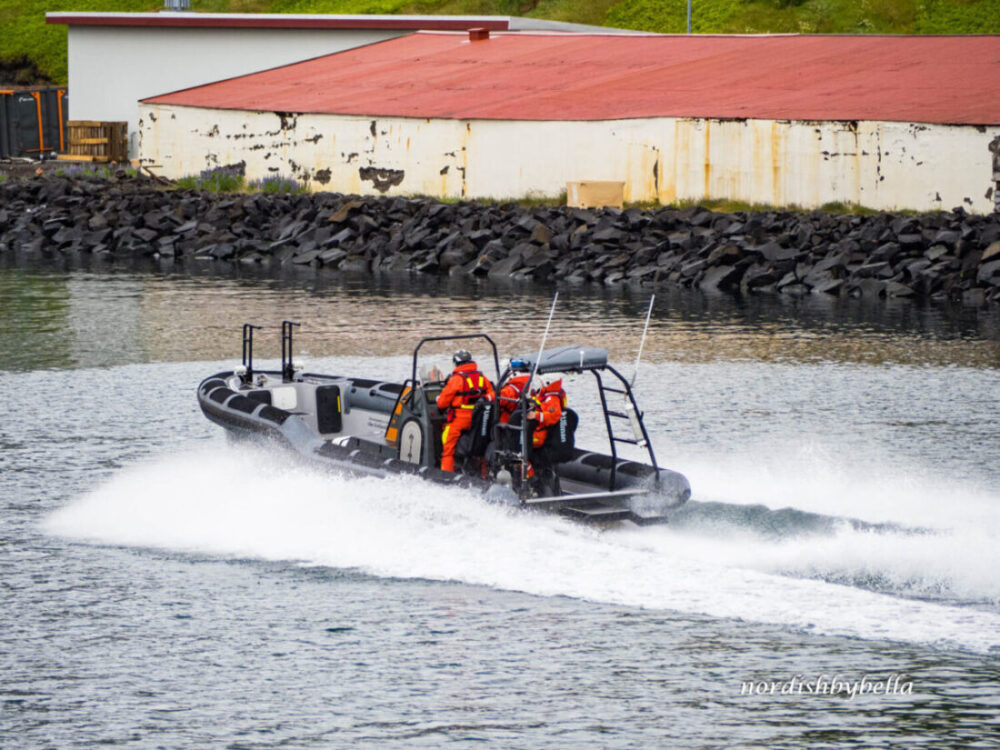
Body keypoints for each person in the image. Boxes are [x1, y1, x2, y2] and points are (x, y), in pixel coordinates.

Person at [436, 349, 495, 472]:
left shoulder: (456, 379)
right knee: (481, 445)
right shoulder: (482, 377)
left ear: (457, 363)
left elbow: (442, 403)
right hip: (479, 419)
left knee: (448, 446)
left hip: (459, 419)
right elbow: (492, 395)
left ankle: (446, 475)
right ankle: (483, 475)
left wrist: (438, 401)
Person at [497, 360, 532, 425]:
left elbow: (497, 401)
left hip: (506, 423)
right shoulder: (529, 383)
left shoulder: (509, 390)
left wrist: (486, 397)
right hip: (523, 421)